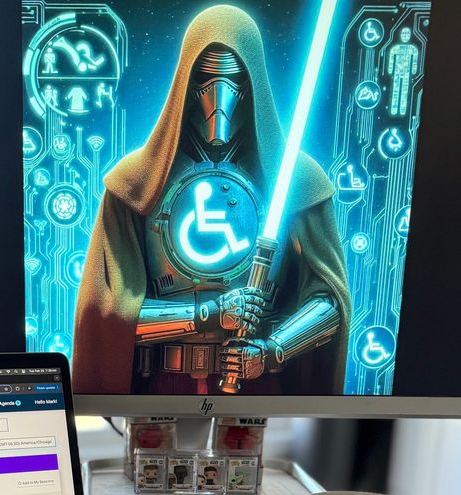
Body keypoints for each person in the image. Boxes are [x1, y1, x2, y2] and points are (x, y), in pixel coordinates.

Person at [72, 4, 351, 396]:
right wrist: (208, 314)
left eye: (233, 79)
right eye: (206, 79)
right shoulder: (137, 182)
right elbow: (107, 314)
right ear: (185, 82)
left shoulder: (296, 179)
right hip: (165, 387)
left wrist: (273, 349)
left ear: (253, 84)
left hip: (256, 384)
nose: (219, 97)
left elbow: (329, 301)